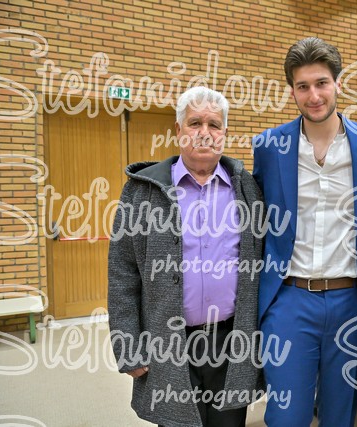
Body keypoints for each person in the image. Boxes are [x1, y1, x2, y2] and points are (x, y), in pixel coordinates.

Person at [108, 87, 263, 427]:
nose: (204, 133)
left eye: (214, 124)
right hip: (168, 343)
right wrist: (128, 345)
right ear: (178, 130)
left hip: (230, 341)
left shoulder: (247, 189)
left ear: (224, 132)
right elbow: (122, 272)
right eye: (195, 123)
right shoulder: (141, 192)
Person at [252, 37, 357, 427]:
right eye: (303, 86)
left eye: (322, 83)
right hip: (289, 299)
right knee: (286, 416)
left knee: (340, 415)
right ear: (291, 90)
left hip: (351, 300)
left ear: (338, 83)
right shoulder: (269, 146)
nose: (314, 96)